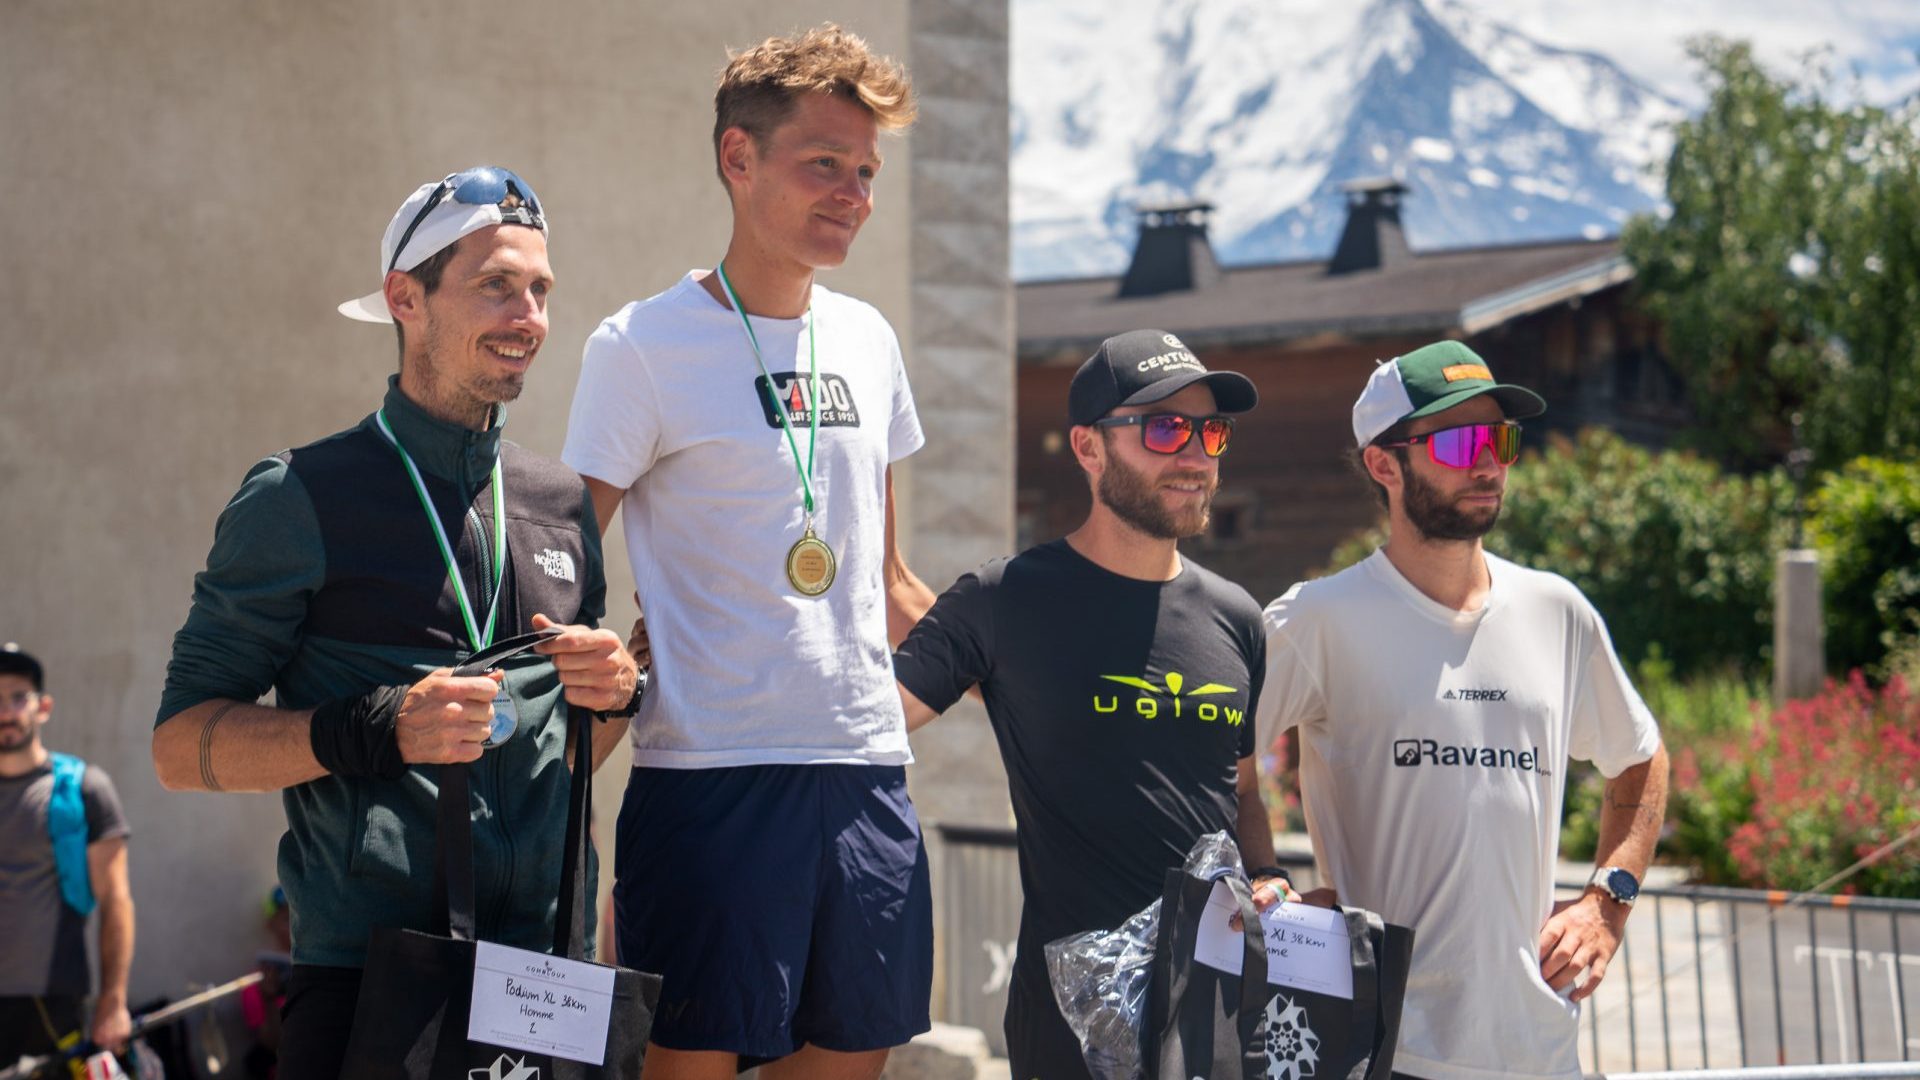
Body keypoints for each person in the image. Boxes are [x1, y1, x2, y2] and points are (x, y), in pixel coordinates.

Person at [152, 166, 640, 1080]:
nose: (527, 314)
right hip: (370, 979)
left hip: (547, 980)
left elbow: (566, 759)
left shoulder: (562, 501)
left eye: (540, 289)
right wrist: (373, 728)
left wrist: (612, 697)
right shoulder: (300, 495)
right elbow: (180, 747)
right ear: (403, 298)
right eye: (495, 284)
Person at [561, 25, 930, 1078]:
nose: (853, 193)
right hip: (710, 779)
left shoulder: (870, 339)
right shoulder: (640, 346)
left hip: (866, 777)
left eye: (865, 172)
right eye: (825, 164)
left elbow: (888, 581)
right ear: (738, 157)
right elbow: (556, 561)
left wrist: (1035, 667)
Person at [1254, 340, 1670, 1080]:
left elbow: (1641, 758)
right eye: (1458, 441)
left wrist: (1608, 901)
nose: (1488, 462)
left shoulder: (1557, 610)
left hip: (1542, 1053)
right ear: (1384, 464)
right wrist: (1267, 881)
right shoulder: (1317, 619)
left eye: (1500, 439)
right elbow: (1215, 765)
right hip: (1380, 1053)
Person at [893, 330, 1300, 1080]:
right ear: (1087, 447)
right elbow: (868, 722)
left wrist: (1270, 870)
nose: (1196, 455)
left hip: (1215, 1011)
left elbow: (1241, 788)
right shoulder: (1003, 599)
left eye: (1210, 431)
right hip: (1071, 1022)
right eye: (1164, 427)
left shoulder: (1238, 616)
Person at [0, 643, 135, 1063]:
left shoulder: (83, 789)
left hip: (52, 1006)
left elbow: (116, 901)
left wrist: (113, 1002)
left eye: (18, 697)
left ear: (43, 706)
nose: (6, 711)